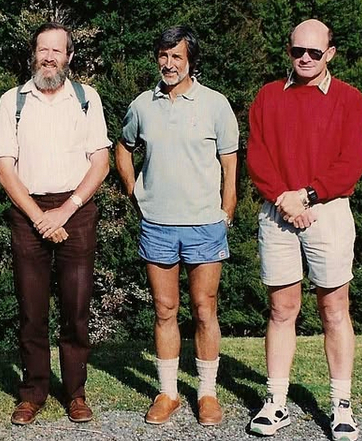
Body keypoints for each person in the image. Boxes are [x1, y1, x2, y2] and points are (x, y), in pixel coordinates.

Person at [246, 19, 362, 441]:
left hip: (328, 211)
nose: (305, 59)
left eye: (315, 53)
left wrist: (308, 195)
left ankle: (341, 406)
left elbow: (351, 163)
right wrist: (286, 197)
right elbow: (257, 158)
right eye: (298, 50)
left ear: (330, 53)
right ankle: (276, 403)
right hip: (278, 211)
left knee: (334, 310)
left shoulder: (350, 100)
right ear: (289, 50)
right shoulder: (266, 97)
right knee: (282, 310)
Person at [115, 25, 238, 426]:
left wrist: (227, 209)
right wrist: (136, 192)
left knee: (204, 310)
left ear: (190, 61)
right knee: (165, 309)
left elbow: (229, 163)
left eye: (177, 57)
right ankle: (168, 393)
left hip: (205, 223)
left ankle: (206, 394)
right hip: (158, 225)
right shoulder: (142, 105)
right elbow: (123, 147)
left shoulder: (216, 105)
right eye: (163, 56)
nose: (168, 64)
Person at [0, 22, 110, 425]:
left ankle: (75, 393)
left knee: (76, 309)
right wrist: (40, 217)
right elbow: (5, 169)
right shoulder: (13, 101)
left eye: (56, 51)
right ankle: (33, 392)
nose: (48, 57)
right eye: (42, 50)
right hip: (28, 212)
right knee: (31, 310)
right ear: (33, 54)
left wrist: (66, 210)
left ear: (69, 57)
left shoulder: (86, 99)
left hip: (76, 211)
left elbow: (101, 163)